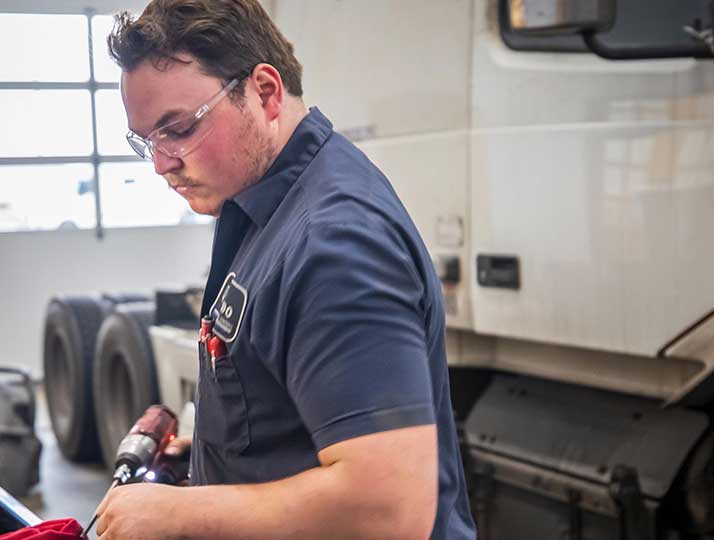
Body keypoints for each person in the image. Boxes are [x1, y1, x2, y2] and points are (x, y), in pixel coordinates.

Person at [95, 1, 477, 539]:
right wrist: (215, 457)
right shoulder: (262, 206)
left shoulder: (335, 243)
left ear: (265, 92)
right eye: (146, 142)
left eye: (176, 129)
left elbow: (388, 509)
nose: (161, 162)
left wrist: (177, 515)